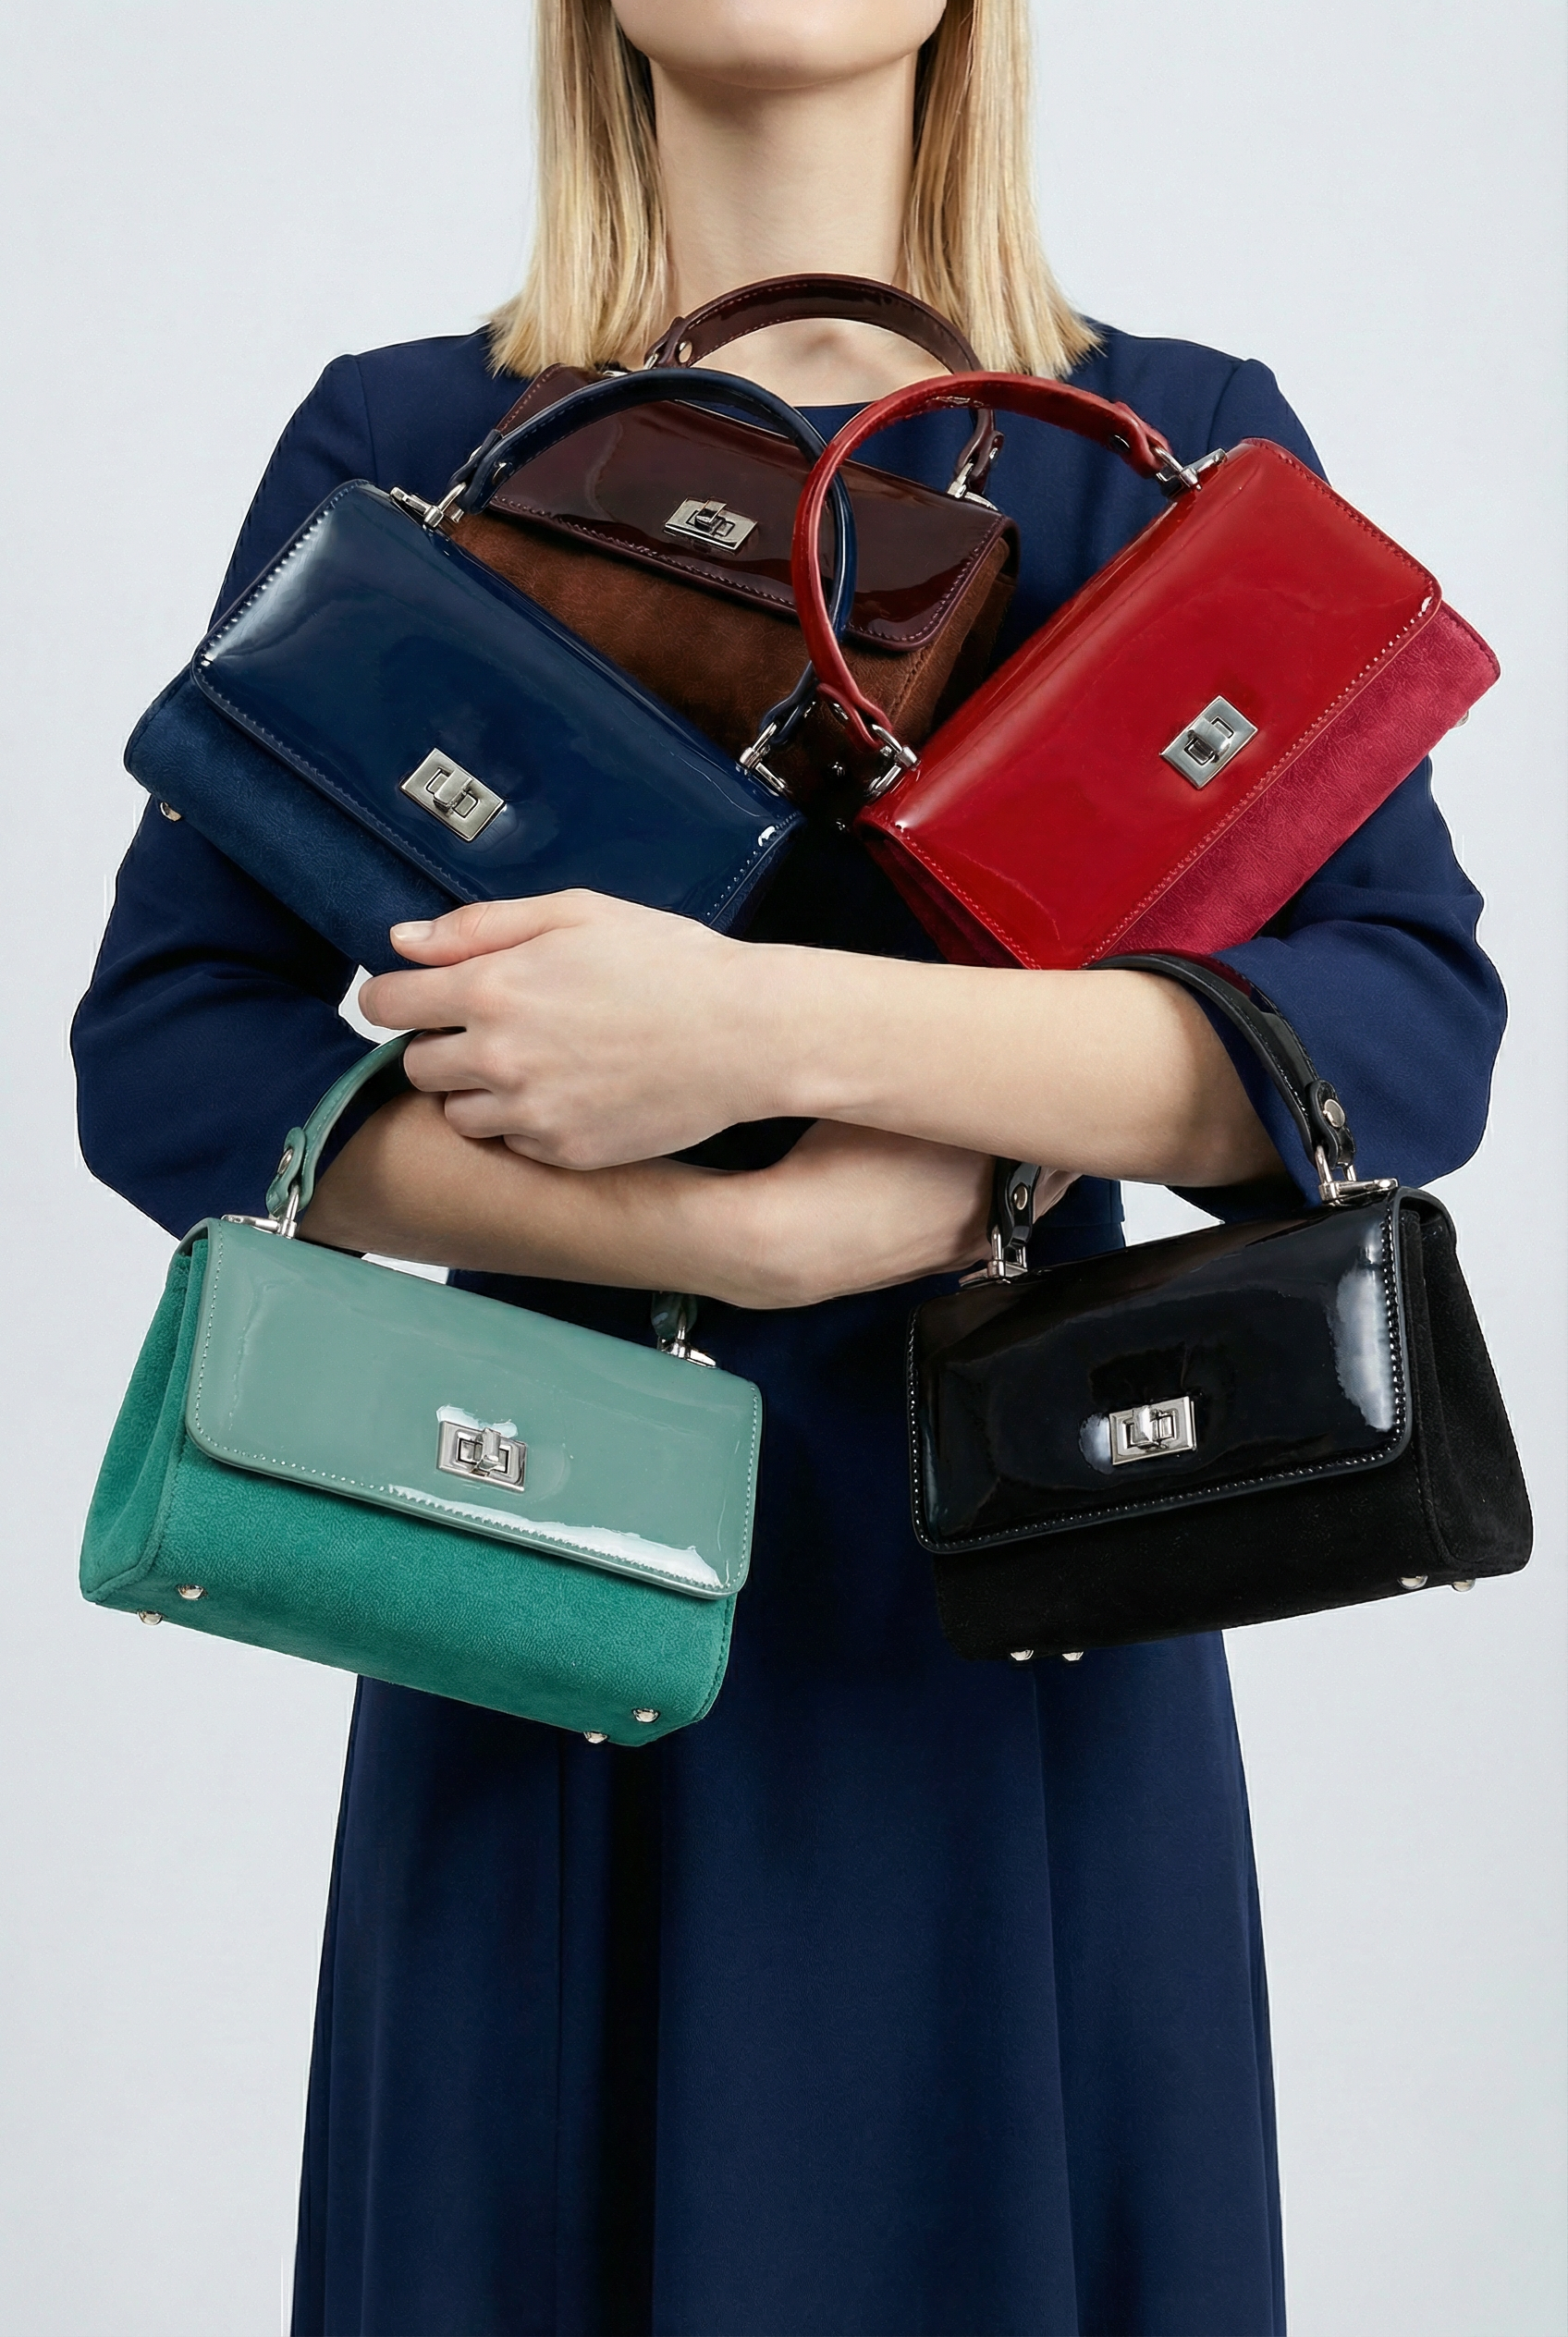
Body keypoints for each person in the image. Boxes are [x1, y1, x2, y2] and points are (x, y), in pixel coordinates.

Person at [73, 4, 1506, 2331]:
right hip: (535, 1576)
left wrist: (762, 1029)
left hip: (1027, 1601)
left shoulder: (1168, 447)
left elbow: (1403, 1034)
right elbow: (166, 1057)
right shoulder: (420, 443)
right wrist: (712, 1226)